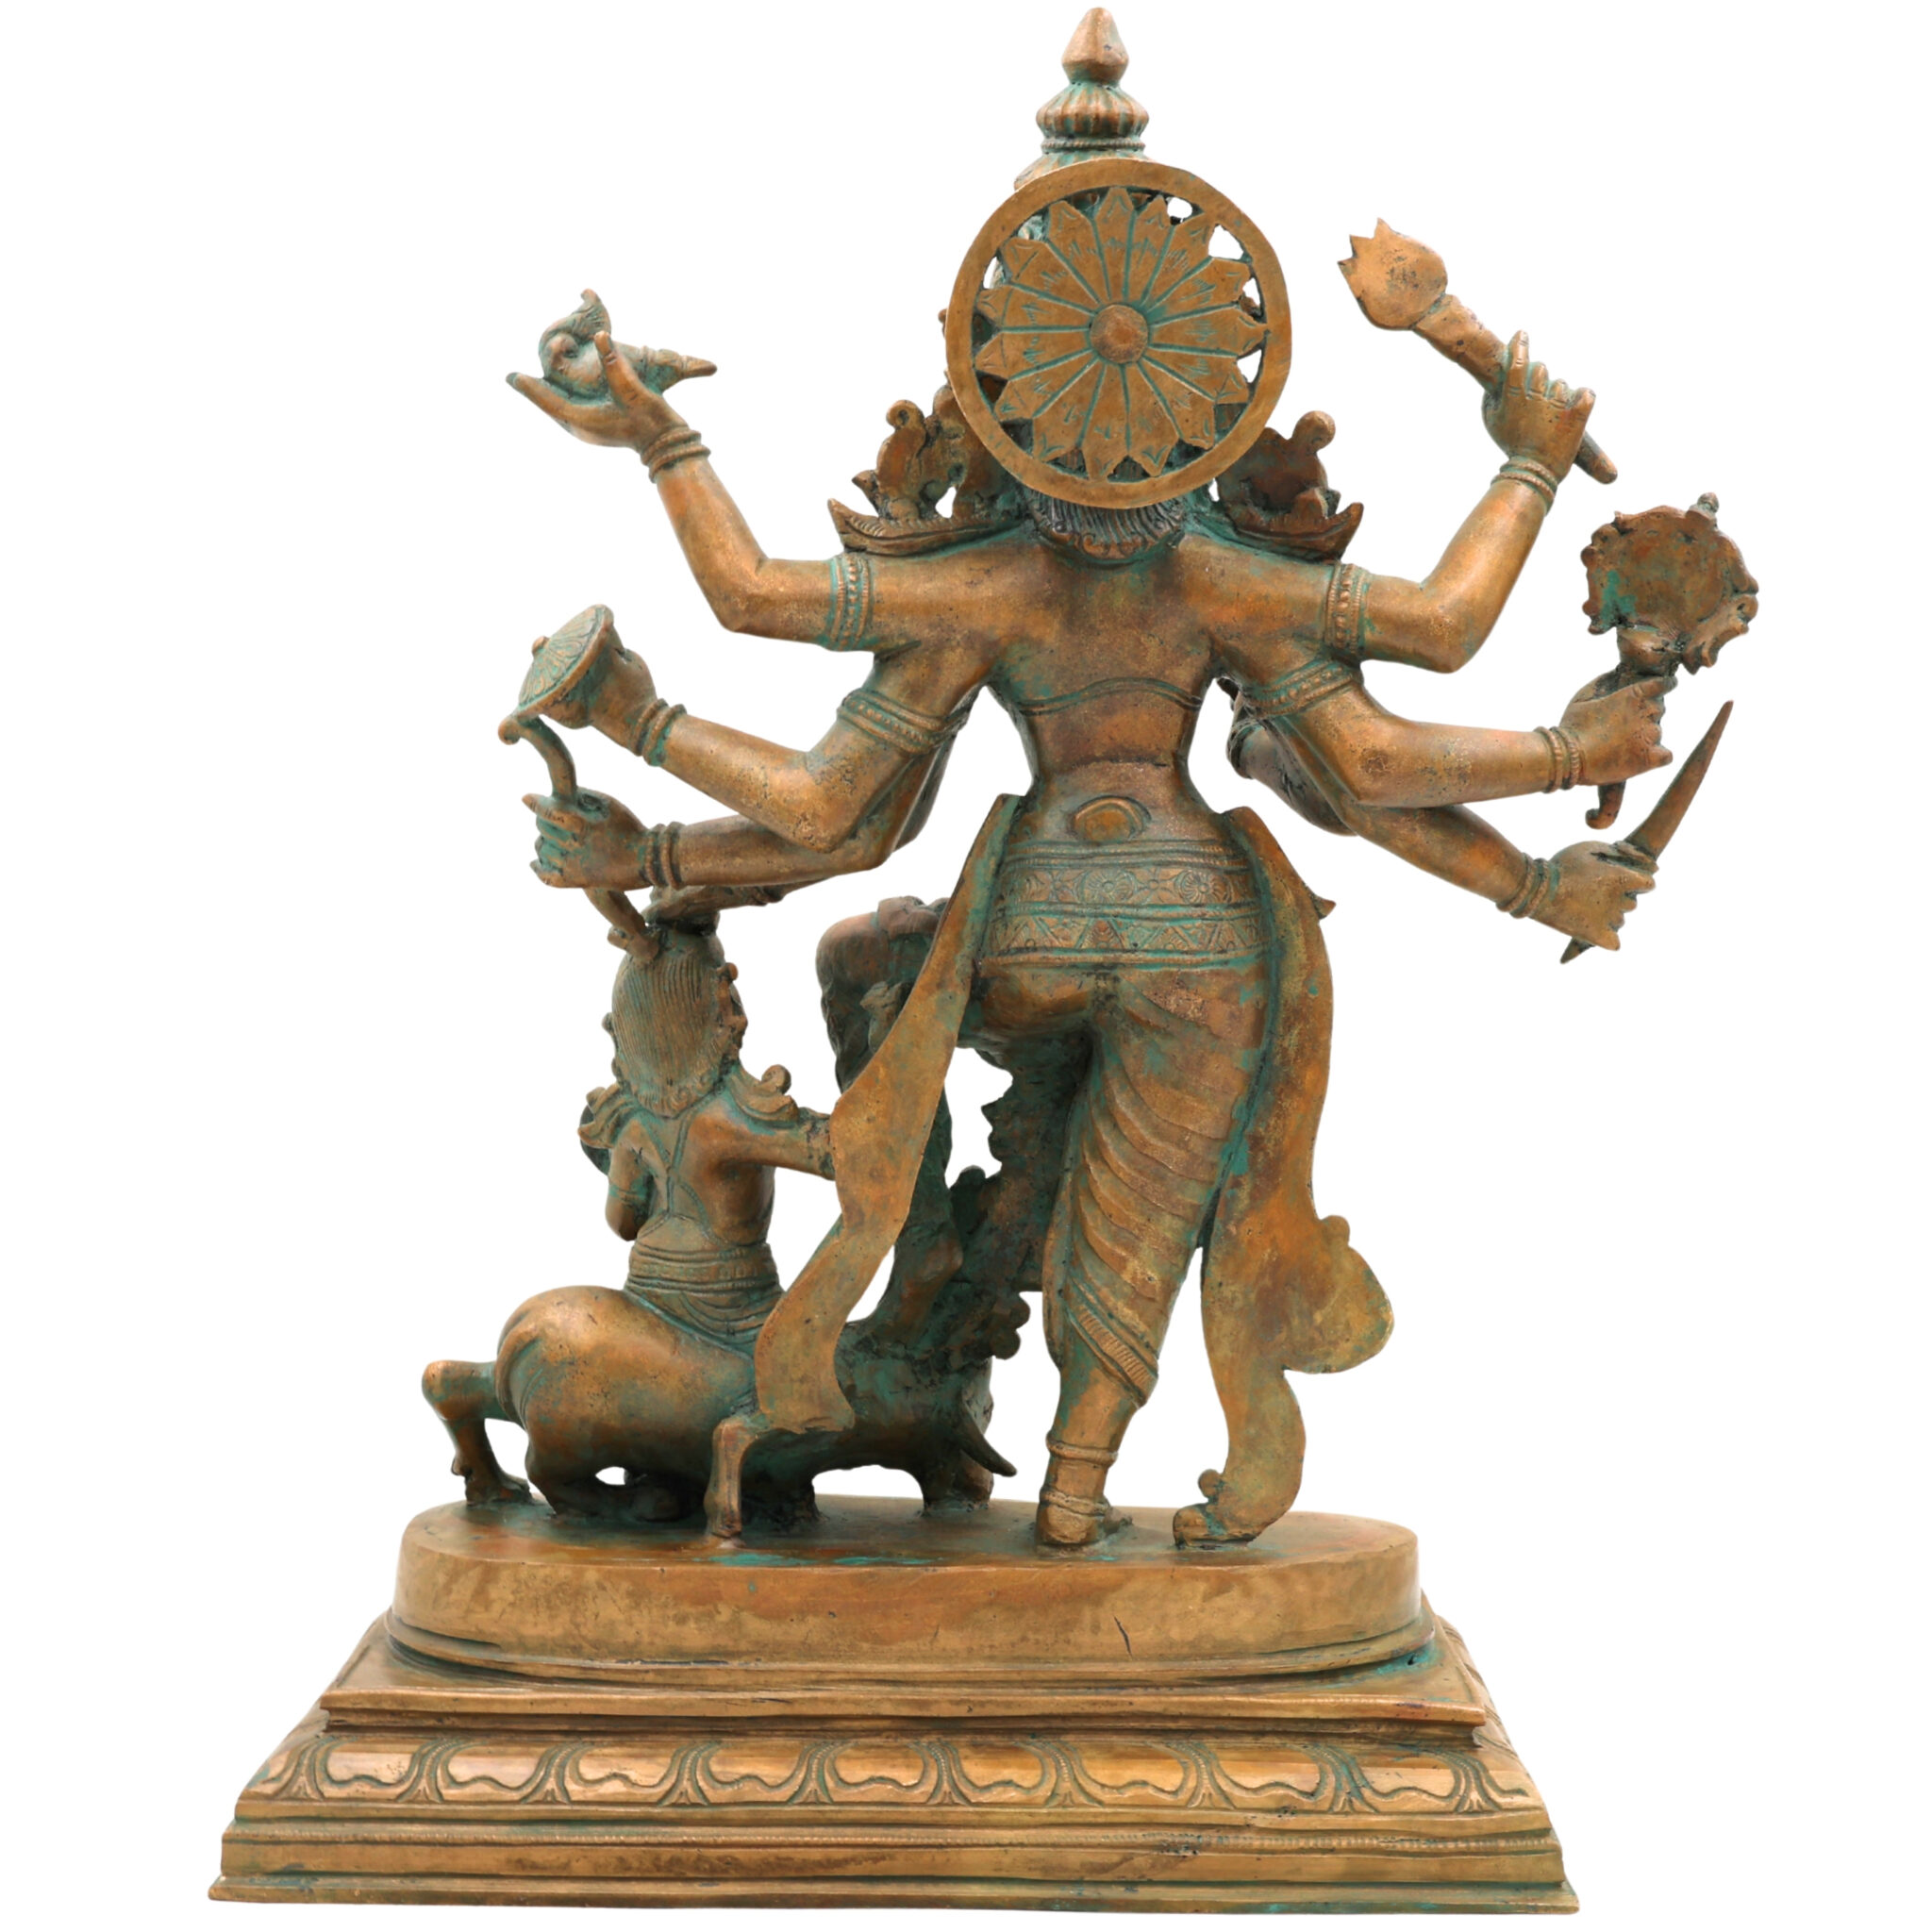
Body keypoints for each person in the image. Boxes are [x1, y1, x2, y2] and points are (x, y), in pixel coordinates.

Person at [504, 317, 1670, 1546]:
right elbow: (1407, 696)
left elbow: (814, 764)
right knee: (1140, 1211)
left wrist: (659, 486)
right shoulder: (1224, 573)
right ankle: (1073, 1485)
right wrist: (1530, 479)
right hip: (1199, 934)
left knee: (869, 964)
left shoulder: (988, 580)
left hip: (1031, 929)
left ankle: (912, 1228)